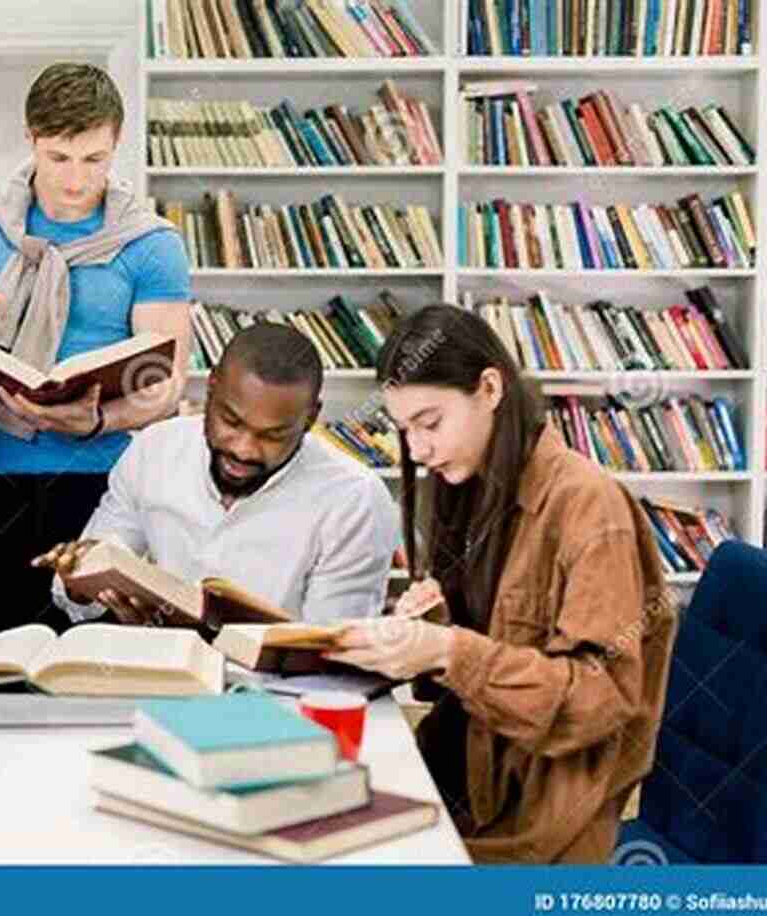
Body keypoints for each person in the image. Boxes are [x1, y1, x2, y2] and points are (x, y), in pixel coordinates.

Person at [324, 304, 678, 863]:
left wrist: (451, 650)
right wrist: (434, 632)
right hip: (470, 771)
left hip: (544, 816)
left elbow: (597, 700)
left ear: (489, 388)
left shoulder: (588, 507)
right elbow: (495, 648)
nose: (417, 450)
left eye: (431, 422)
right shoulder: (467, 484)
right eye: (405, 429)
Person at [0, 62, 191, 642]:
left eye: (94, 160)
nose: (76, 181)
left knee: (92, 657)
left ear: (116, 143)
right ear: (31, 140)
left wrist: (98, 419)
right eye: (58, 157)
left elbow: (167, 384)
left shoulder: (152, 245)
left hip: (98, 482)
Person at [34, 324, 399, 624]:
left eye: (272, 435)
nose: (243, 448)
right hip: (160, 679)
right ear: (211, 389)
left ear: (311, 419)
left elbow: (333, 651)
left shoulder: (356, 498)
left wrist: (213, 633)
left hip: (276, 700)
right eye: (231, 420)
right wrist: (81, 581)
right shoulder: (154, 449)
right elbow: (84, 587)